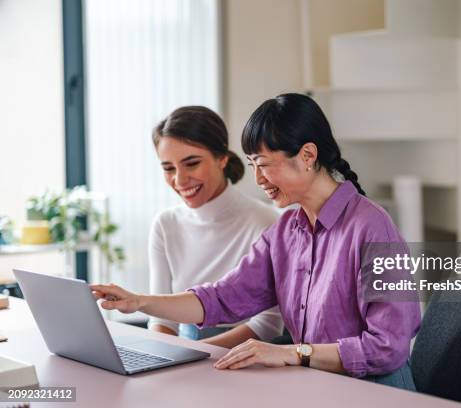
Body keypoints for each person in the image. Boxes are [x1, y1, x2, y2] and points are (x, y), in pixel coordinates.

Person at [91, 94, 421, 390]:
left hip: (375, 393)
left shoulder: (373, 227)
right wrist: (139, 301)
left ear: (307, 155)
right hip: (318, 388)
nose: (258, 179)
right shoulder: (286, 231)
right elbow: (222, 298)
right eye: (252, 166)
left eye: (263, 165)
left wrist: (294, 353)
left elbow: (389, 347)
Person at [147, 105, 283, 347]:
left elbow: (268, 324)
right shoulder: (165, 225)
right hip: (184, 353)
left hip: (243, 356)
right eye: (168, 168)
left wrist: (197, 355)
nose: (179, 180)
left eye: (191, 163)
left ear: (222, 158)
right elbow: (162, 319)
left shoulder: (266, 222)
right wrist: (168, 361)